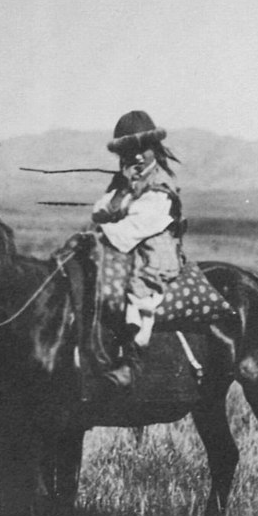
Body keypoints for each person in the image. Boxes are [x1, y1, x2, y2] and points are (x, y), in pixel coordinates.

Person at [91, 110, 183, 388]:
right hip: (124, 252)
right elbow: (99, 210)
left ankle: (132, 362)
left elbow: (134, 228)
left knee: (135, 294)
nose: (138, 156)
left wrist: (102, 230)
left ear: (154, 149)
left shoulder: (160, 188)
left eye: (143, 149)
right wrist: (122, 191)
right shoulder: (125, 182)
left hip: (152, 257)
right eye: (131, 151)